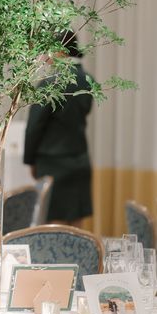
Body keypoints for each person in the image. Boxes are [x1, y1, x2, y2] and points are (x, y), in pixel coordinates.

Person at [23, 30, 94, 228]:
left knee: (54, 223)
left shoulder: (50, 83)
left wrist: (30, 160)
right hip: (80, 160)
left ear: (61, 51)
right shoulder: (88, 81)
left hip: (52, 162)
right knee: (76, 224)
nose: (46, 56)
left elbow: (35, 126)